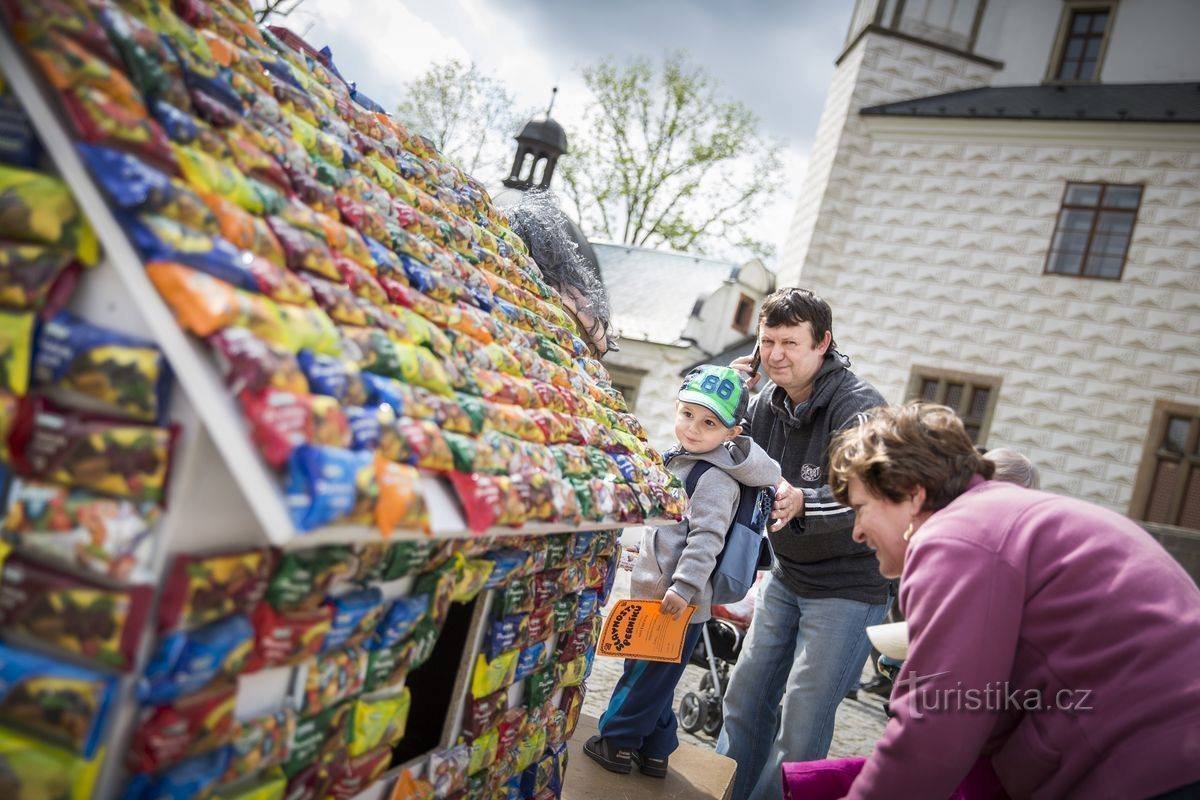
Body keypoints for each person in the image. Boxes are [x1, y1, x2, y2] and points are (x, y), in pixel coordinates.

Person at [821, 402, 1200, 799]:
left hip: (1152, 761)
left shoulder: (955, 537)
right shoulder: (997, 515)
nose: (857, 533)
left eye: (861, 509)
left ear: (912, 494)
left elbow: (937, 724)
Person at [718, 288, 890, 800]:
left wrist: (803, 502)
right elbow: (715, 446)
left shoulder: (859, 406)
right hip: (788, 576)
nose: (775, 355)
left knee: (801, 725)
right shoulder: (765, 399)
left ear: (823, 345)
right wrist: (732, 389)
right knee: (745, 700)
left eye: (790, 343)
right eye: (768, 341)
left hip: (849, 588)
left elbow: (871, 489)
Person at [585, 365, 781, 778]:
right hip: (668, 592)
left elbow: (705, 538)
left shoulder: (714, 476)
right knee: (659, 677)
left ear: (732, 432)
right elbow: (672, 530)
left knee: (642, 675)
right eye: (688, 413)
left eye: (709, 422)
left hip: (674, 599)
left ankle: (616, 743)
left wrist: (684, 586)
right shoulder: (687, 460)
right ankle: (656, 751)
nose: (693, 427)